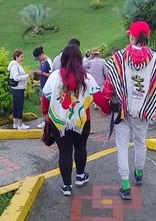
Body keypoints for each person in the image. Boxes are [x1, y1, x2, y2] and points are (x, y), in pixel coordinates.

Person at [102, 21, 156, 200]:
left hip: (122, 112)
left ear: (132, 36)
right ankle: (139, 173)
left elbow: (109, 84)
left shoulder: (118, 57)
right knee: (140, 142)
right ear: (147, 37)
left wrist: (104, 102)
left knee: (122, 146)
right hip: (143, 113)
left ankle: (125, 185)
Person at [41, 44, 109, 196]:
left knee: (64, 152)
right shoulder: (87, 77)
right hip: (81, 122)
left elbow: (45, 98)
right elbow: (99, 98)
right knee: (80, 148)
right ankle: (80, 176)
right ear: (80, 59)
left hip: (59, 123)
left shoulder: (54, 76)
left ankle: (66, 186)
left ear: (63, 59)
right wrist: (106, 110)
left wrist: (45, 113)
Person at [8, 50, 33, 130]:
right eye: (21, 56)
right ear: (16, 56)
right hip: (18, 89)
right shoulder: (15, 66)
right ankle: (20, 124)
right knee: (19, 107)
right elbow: (16, 78)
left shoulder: (16, 65)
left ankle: (15, 124)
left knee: (16, 106)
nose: (23, 58)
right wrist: (27, 75)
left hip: (17, 89)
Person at [32, 46, 53, 128]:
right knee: (43, 105)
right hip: (42, 85)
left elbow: (52, 75)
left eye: (38, 58)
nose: (38, 60)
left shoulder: (49, 62)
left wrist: (42, 73)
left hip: (48, 87)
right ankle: (45, 120)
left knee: (48, 105)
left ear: (41, 55)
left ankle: (48, 121)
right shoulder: (42, 62)